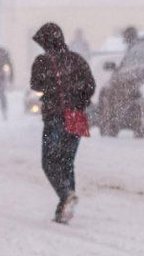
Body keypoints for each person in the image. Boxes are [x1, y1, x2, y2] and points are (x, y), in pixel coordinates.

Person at [30, 23, 95, 224]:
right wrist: (79, 101)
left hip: (55, 116)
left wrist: (52, 93)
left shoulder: (42, 61)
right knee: (67, 162)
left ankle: (66, 194)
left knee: (49, 161)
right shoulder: (77, 59)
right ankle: (65, 208)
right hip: (76, 116)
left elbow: (35, 85)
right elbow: (90, 85)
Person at [0, 47, 12, 121]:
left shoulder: (4, 54)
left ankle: (5, 111)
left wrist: (11, 78)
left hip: (2, 76)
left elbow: (9, 65)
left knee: (2, 94)